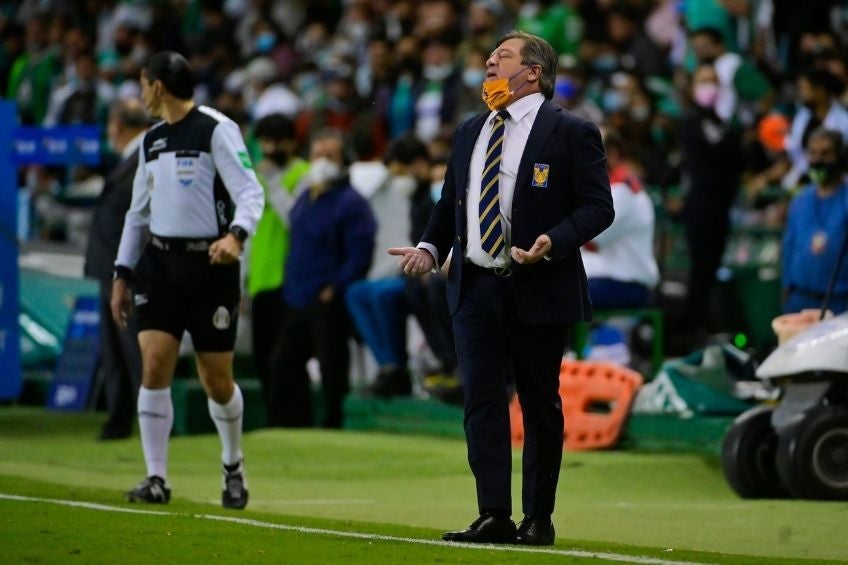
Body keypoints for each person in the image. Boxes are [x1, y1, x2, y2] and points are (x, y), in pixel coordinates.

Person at [389, 31, 614, 546]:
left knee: (539, 403)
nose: (489, 62)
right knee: (481, 402)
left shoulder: (571, 132)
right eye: (489, 56)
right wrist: (429, 247)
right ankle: (492, 512)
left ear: (532, 71)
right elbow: (451, 204)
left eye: (502, 57)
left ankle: (538, 518)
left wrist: (552, 241)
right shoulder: (471, 129)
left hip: (537, 283)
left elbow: (599, 206)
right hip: (473, 285)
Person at [111, 52, 264, 509]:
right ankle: (156, 477)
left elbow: (249, 191)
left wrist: (236, 237)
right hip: (159, 266)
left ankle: (232, 464)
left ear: (157, 86)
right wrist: (121, 273)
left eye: (142, 84)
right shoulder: (150, 141)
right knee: (154, 365)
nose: (140, 95)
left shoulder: (216, 128)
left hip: (211, 267)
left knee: (216, 379)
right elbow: (137, 214)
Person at [267, 128, 376, 428]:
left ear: (344, 160)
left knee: (332, 368)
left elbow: (360, 254)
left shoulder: (351, 203)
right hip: (297, 296)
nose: (322, 161)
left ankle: (333, 423)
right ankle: (289, 426)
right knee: (284, 365)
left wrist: (335, 288)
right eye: (317, 155)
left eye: (330, 156)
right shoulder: (307, 197)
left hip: (328, 299)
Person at [84, 98, 148, 441]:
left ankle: (152, 420)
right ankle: (119, 418)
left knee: (134, 348)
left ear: (119, 126)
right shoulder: (129, 159)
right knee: (115, 350)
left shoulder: (145, 158)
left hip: (127, 270)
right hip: (109, 266)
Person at [247, 113, 309, 411]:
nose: (269, 149)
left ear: (291, 143)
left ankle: (292, 417)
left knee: (286, 359)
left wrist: (273, 181)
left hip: (289, 279)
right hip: (260, 278)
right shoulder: (256, 178)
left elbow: (294, 220)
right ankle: (273, 417)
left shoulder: (304, 174)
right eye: (265, 143)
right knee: (262, 357)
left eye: (275, 142)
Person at [346, 134, 416, 398]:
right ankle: (389, 365)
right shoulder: (389, 192)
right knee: (356, 292)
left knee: (383, 294)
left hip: (430, 269)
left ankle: (398, 366)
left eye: (403, 170)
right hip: (403, 268)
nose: (399, 177)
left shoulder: (437, 191)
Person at [680, 63, 745, 341]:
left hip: (721, 205)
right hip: (701, 204)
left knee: (713, 267)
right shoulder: (692, 121)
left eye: (714, 81)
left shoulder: (723, 122)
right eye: (704, 81)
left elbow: (737, 157)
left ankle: (707, 323)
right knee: (700, 267)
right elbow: (718, 153)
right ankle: (695, 327)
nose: (710, 87)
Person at [582, 129, 659, 309]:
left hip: (627, 283)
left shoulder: (622, 191)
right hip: (613, 277)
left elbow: (586, 235)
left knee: (559, 294)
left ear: (612, 154)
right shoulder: (616, 188)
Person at [782, 128, 848, 314]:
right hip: (799, 299)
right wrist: (786, 288)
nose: (818, 160)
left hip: (840, 303)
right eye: (812, 153)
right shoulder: (800, 200)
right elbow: (789, 246)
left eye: (826, 154)